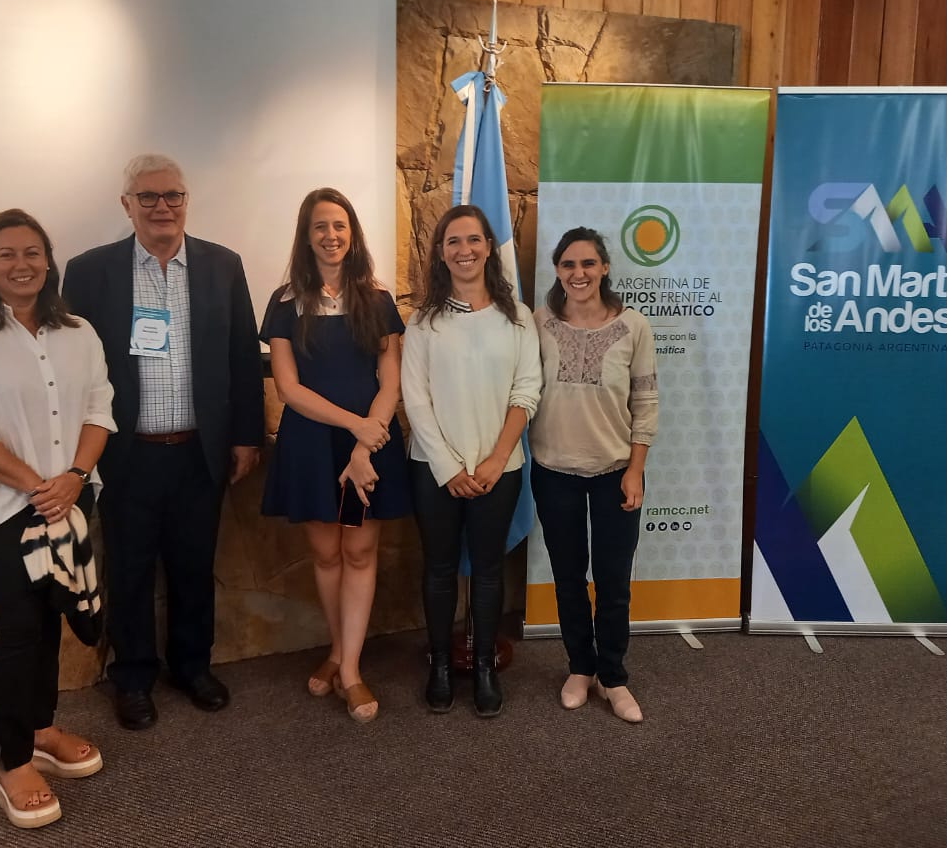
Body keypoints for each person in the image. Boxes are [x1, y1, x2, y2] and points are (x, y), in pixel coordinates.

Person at [62, 153, 264, 730]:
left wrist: (246, 436)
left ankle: (192, 667)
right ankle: (132, 678)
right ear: (126, 205)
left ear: (186, 201)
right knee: (127, 570)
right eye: (147, 197)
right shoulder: (90, 271)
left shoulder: (222, 266)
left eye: (172, 195)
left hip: (200, 451)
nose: (162, 207)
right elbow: (72, 366)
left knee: (194, 567)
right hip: (126, 454)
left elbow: (241, 360)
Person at [0, 209, 115, 829]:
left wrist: (75, 479)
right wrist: (41, 487)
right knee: (17, 628)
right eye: (6, 254)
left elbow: (99, 410)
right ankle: (10, 763)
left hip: (70, 496)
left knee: (48, 624)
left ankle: (38, 730)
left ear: (48, 260)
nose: (21, 264)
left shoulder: (78, 332)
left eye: (32, 252)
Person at [260, 187, 409, 723]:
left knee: (360, 554)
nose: (332, 236)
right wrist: (356, 431)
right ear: (307, 236)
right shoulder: (284, 303)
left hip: (370, 450)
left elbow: (391, 381)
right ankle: (338, 650)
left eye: (340, 225)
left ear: (353, 233)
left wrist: (367, 445)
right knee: (326, 555)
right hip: (313, 448)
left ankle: (349, 670)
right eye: (321, 226)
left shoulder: (378, 300)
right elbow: (289, 389)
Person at [402, 204, 541, 717]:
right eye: (453, 241)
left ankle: (483, 666)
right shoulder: (423, 322)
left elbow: (527, 391)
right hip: (433, 469)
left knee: (487, 570)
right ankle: (440, 665)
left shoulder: (517, 318)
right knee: (439, 569)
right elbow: (414, 399)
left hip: (498, 469)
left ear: (489, 248)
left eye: (474, 240)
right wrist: (450, 470)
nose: (465, 250)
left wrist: (495, 459)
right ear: (441, 253)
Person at [529, 227, 659, 724]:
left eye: (588, 264)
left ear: (604, 268)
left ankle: (614, 676)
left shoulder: (634, 327)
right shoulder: (537, 324)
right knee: (567, 577)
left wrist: (636, 470)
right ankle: (579, 668)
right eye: (568, 265)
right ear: (557, 272)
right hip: (553, 471)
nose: (578, 273)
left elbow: (645, 401)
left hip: (615, 474)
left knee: (613, 581)